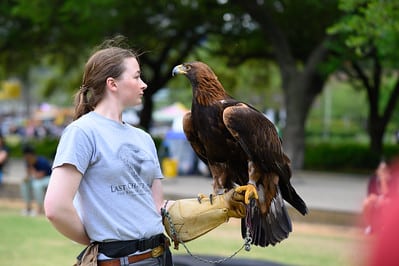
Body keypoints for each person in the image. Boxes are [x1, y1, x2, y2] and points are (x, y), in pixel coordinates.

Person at [44, 37, 246, 266]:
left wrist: (221, 207)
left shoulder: (144, 139)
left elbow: (156, 208)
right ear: (113, 84)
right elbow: (56, 207)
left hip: (160, 257)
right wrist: (103, 244)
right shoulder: (82, 132)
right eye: (137, 76)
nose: (144, 84)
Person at [362, 160, 393, 234]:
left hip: (387, 201)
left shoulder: (392, 180)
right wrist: (374, 198)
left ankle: (386, 228)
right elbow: (370, 194)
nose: (382, 172)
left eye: (385, 170)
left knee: (387, 203)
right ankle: (369, 226)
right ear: (377, 171)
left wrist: (383, 180)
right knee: (366, 202)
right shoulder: (373, 179)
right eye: (381, 170)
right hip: (376, 200)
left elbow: (388, 194)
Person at [20, 145, 52, 216]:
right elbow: (28, 176)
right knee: (25, 184)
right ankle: (28, 208)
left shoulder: (42, 161)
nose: (26, 159)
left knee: (37, 185)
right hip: (36, 178)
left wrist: (32, 170)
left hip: (49, 179)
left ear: (32, 155)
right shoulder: (27, 162)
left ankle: (39, 209)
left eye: (28, 157)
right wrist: (26, 179)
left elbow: (39, 176)